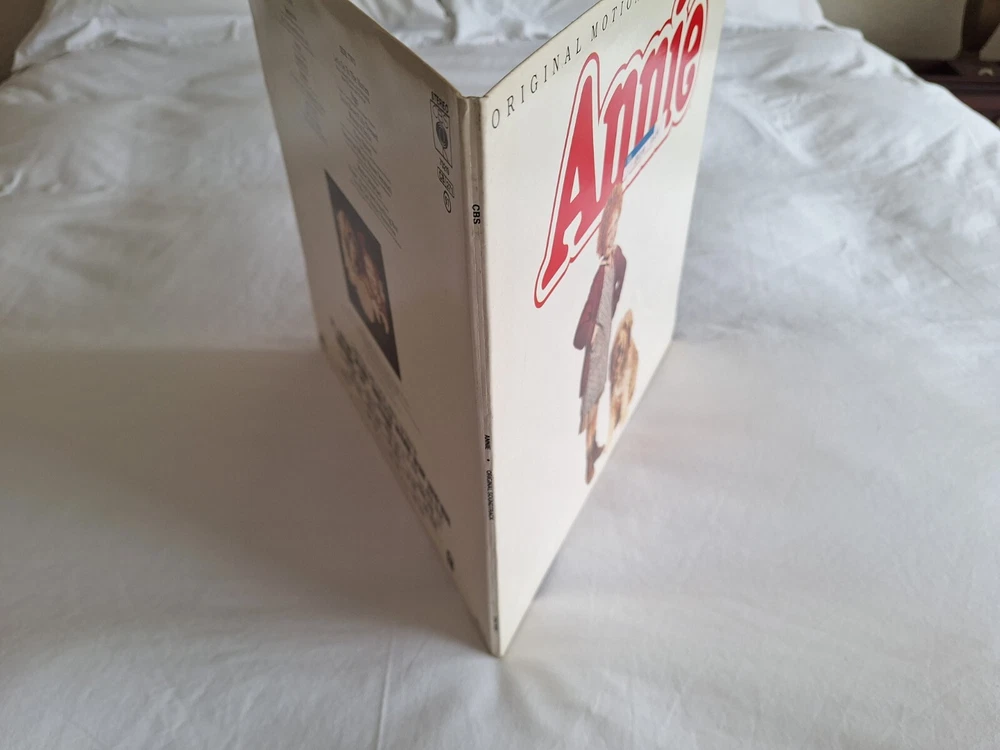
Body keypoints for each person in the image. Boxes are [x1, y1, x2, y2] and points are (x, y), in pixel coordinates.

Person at [574, 182, 627, 484]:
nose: (611, 235)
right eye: (608, 230)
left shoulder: (617, 263)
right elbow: (587, 310)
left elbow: (619, 281)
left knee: (599, 392)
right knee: (591, 396)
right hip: (596, 343)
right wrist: (590, 332)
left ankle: (592, 446)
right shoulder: (599, 273)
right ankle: (588, 455)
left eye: (615, 228)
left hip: (605, 340)